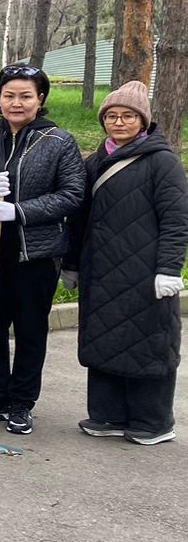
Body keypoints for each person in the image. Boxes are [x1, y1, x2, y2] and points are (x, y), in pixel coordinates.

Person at [0, 64, 85, 435]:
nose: (16, 102)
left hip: (36, 252)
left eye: (25, 95)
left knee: (30, 328)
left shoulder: (59, 142)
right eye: (9, 94)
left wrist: (20, 210)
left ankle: (22, 401)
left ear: (40, 99)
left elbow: (72, 194)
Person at [64, 81, 188, 445]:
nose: (119, 122)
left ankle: (153, 421)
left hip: (145, 271)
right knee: (104, 338)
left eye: (128, 116)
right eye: (112, 116)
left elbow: (176, 219)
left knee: (148, 341)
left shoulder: (162, 161)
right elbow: (79, 217)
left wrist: (169, 268)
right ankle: (107, 414)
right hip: (99, 269)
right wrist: (71, 263)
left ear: (144, 121)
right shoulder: (96, 161)